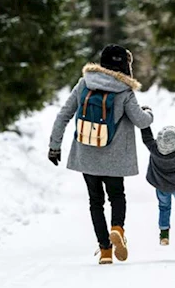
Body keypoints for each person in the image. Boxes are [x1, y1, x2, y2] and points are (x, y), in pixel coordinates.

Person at [47, 44, 153, 265]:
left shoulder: (85, 83)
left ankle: (105, 250)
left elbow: (63, 115)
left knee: (95, 201)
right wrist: (149, 112)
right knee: (117, 196)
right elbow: (141, 121)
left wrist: (55, 146)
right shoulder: (124, 91)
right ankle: (117, 229)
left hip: (87, 154)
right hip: (115, 159)